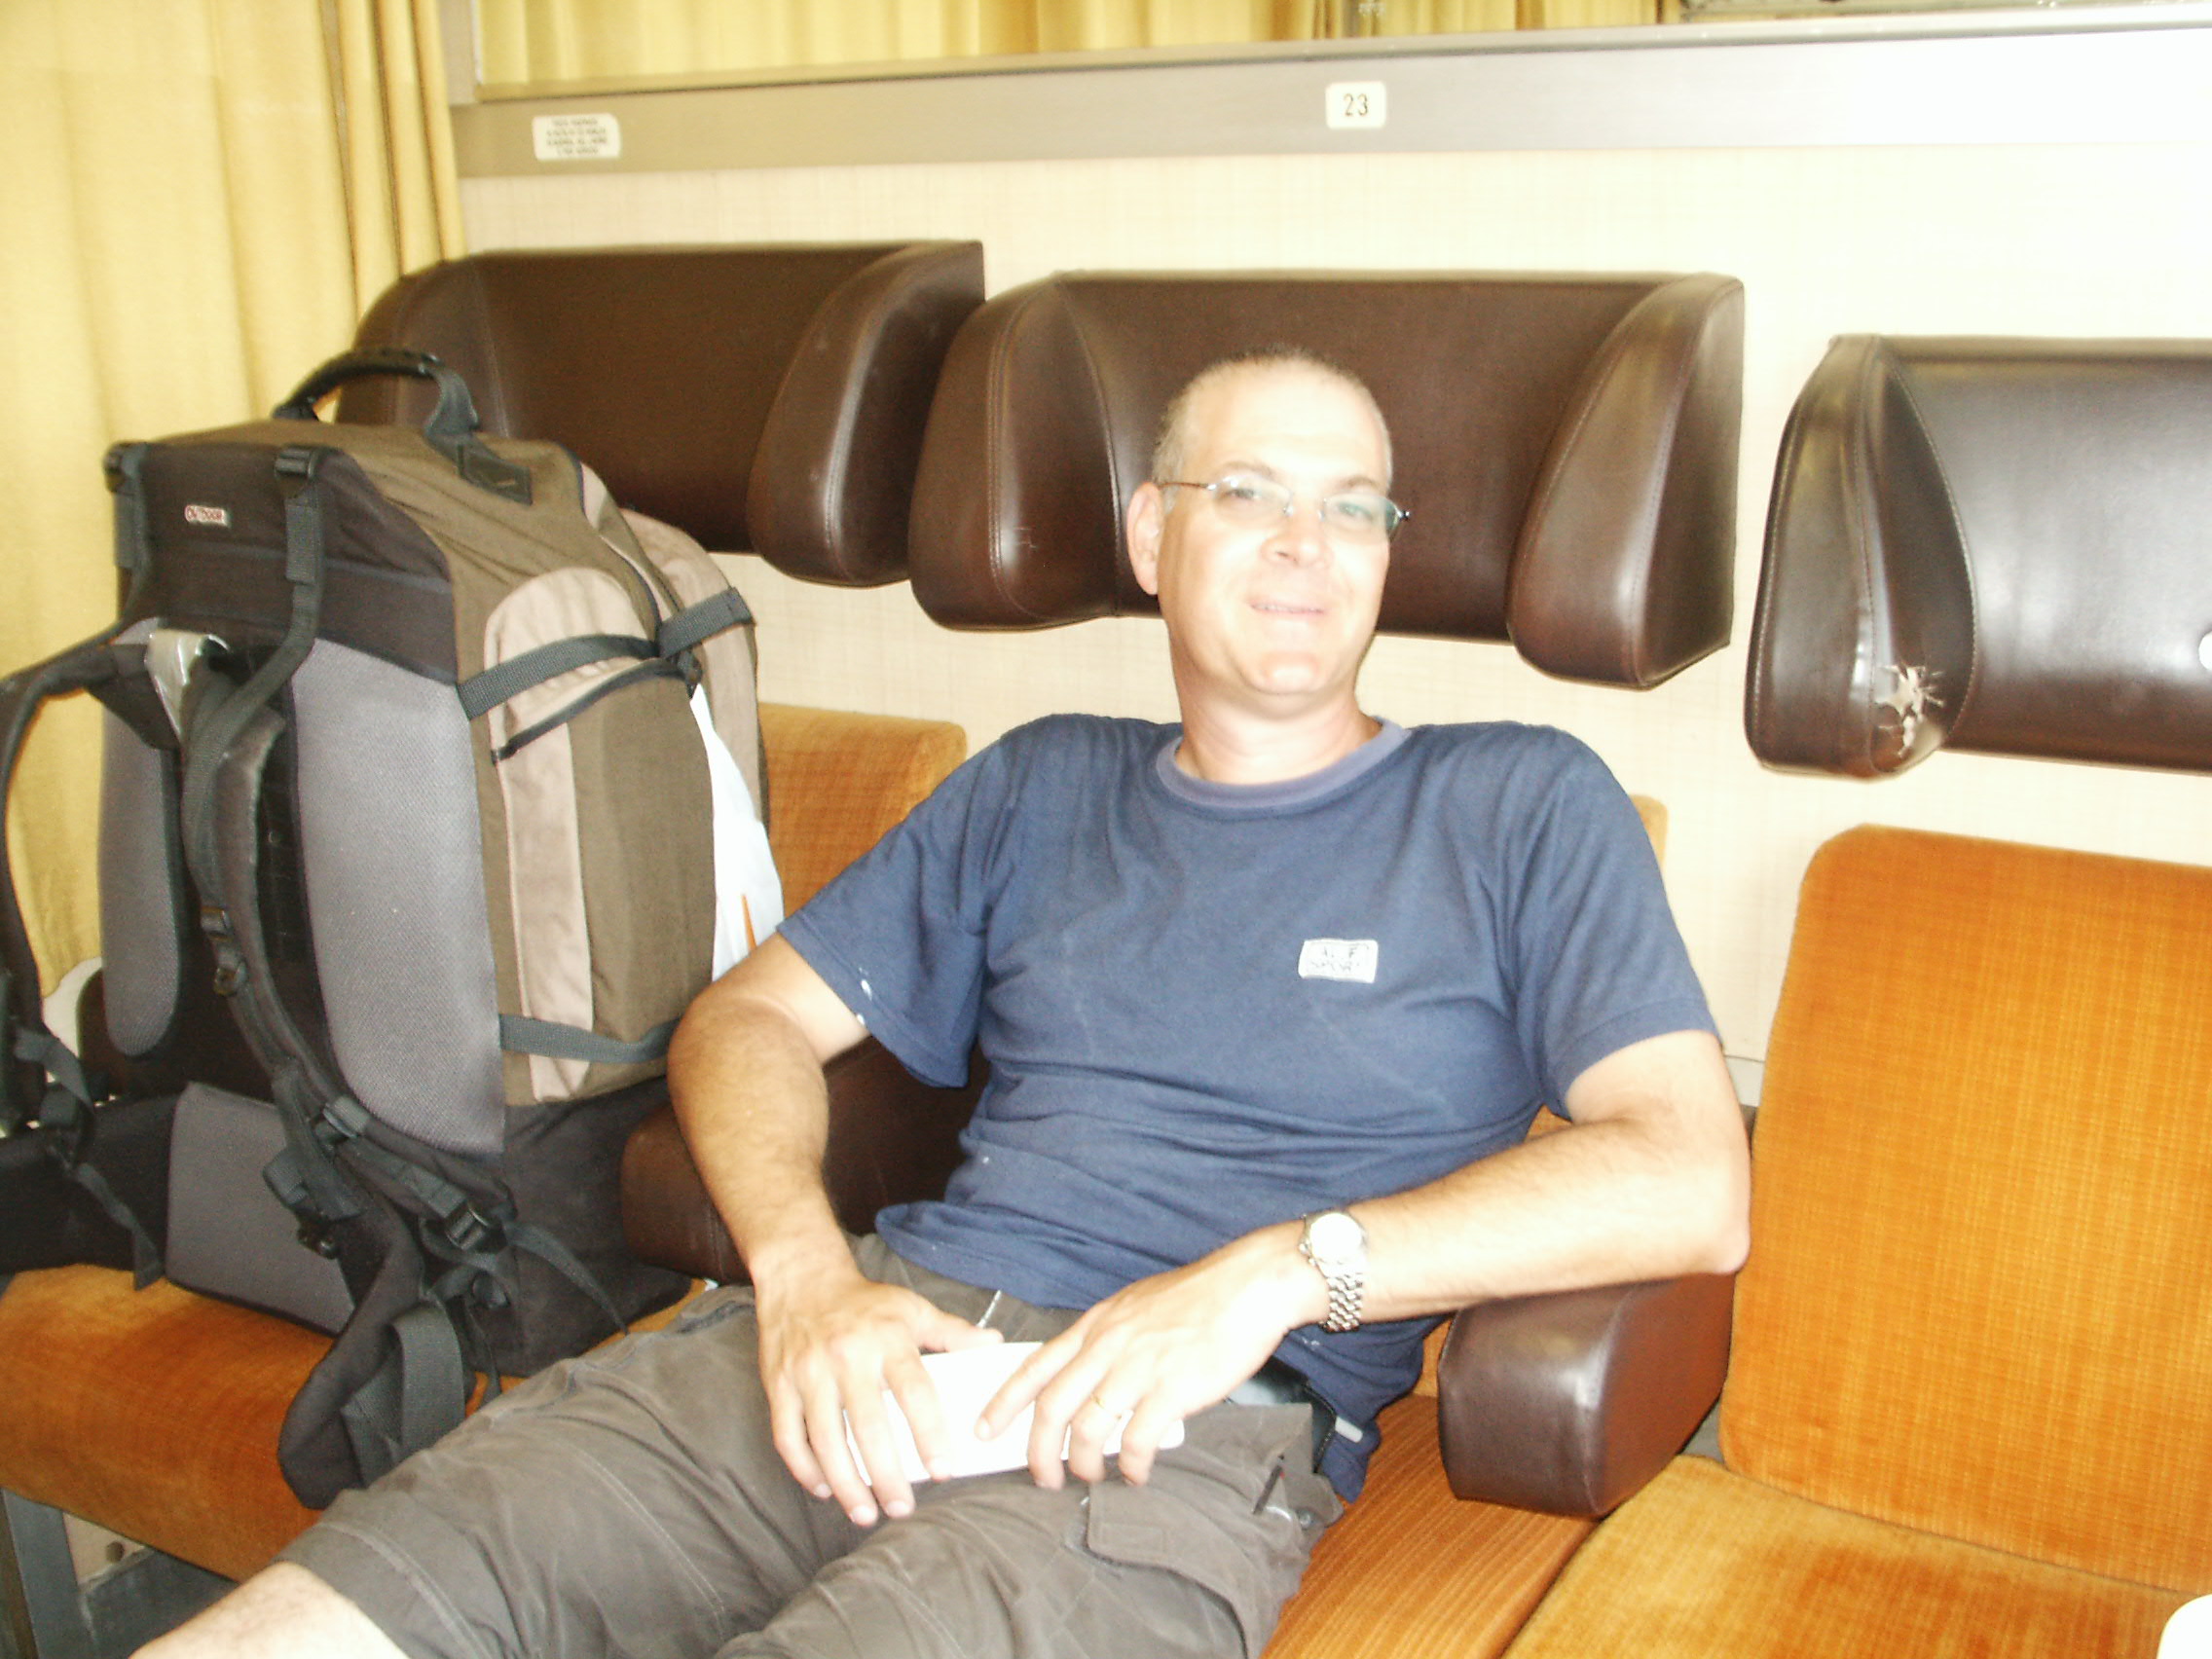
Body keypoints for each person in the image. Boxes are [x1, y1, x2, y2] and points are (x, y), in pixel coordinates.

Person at [142, 350, 1750, 1659]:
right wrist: (803, 1277)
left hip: (1178, 1429)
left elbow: (1692, 1175)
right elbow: (745, 1023)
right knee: (353, 1600)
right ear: (1151, 536)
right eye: (1249, 490)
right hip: (874, 1340)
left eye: (1353, 505)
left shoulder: (1521, 803)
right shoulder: (1041, 783)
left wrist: (1277, 1276)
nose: (1303, 543)